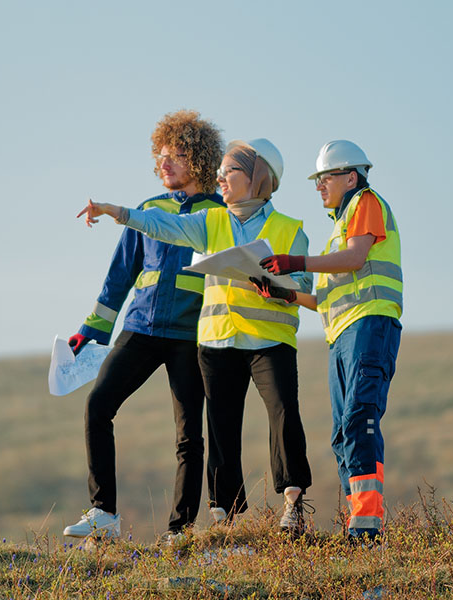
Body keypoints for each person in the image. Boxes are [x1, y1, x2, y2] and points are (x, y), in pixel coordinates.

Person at [77, 138, 314, 533]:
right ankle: (221, 517)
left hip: (261, 340)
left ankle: (283, 506)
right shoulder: (209, 222)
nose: (221, 177)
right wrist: (115, 211)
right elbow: (156, 231)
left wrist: (284, 289)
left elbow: (307, 286)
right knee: (220, 429)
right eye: (219, 171)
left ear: (257, 178)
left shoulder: (286, 228)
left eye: (230, 171)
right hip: (214, 339)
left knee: (277, 416)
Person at [60, 110, 224, 545]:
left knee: (190, 435)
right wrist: (90, 331)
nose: (165, 163)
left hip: (192, 337)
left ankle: (181, 532)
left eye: (178, 155)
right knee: (98, 406)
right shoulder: (147, 211)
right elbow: (119, 279)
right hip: (141, 328)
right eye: (161, 155)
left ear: (202, 160)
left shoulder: (221, 215)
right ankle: (103, 513)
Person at [258, 140, 402, 542]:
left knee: (359, 420)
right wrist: (284, 292)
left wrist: (296, 263)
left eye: (325, 177)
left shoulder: (366, 203)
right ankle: (359, 523)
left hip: (369, 326)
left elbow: (356, 258)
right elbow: (324, 298)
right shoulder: (338, 230)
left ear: (350, 176)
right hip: (343, 335)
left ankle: (367, 528)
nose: (319, 186)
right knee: (343, 432)